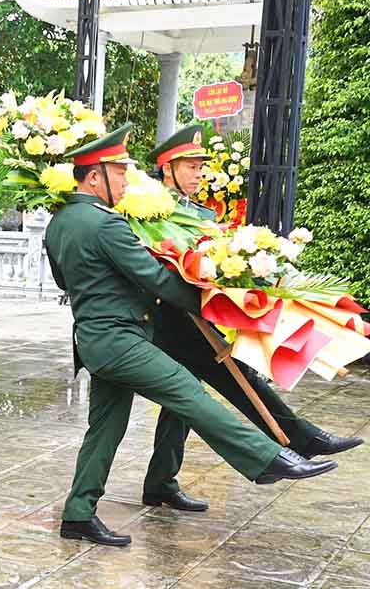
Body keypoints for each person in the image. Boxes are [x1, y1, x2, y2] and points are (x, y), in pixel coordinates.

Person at [47, 124, 337, 548]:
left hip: (93, 340)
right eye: (120, 173)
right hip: (122, 341)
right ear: (94, 177)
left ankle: (78, 514)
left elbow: (63, 281)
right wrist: (215, 299)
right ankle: (266, 459)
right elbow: (155, 279)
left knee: (105, 427)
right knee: (187, 390)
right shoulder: (107, 225)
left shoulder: (59, 222)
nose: (126, 182)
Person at [139, 125, 362, 512]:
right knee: (231, 379)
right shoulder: (150, 212)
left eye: (201, 167)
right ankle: (301, 439)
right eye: (190, 166)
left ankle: (161, 482)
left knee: (183, 400)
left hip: (196, 316)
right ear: (167, 169)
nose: (198, 174)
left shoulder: (202, 213)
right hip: (166, 319)